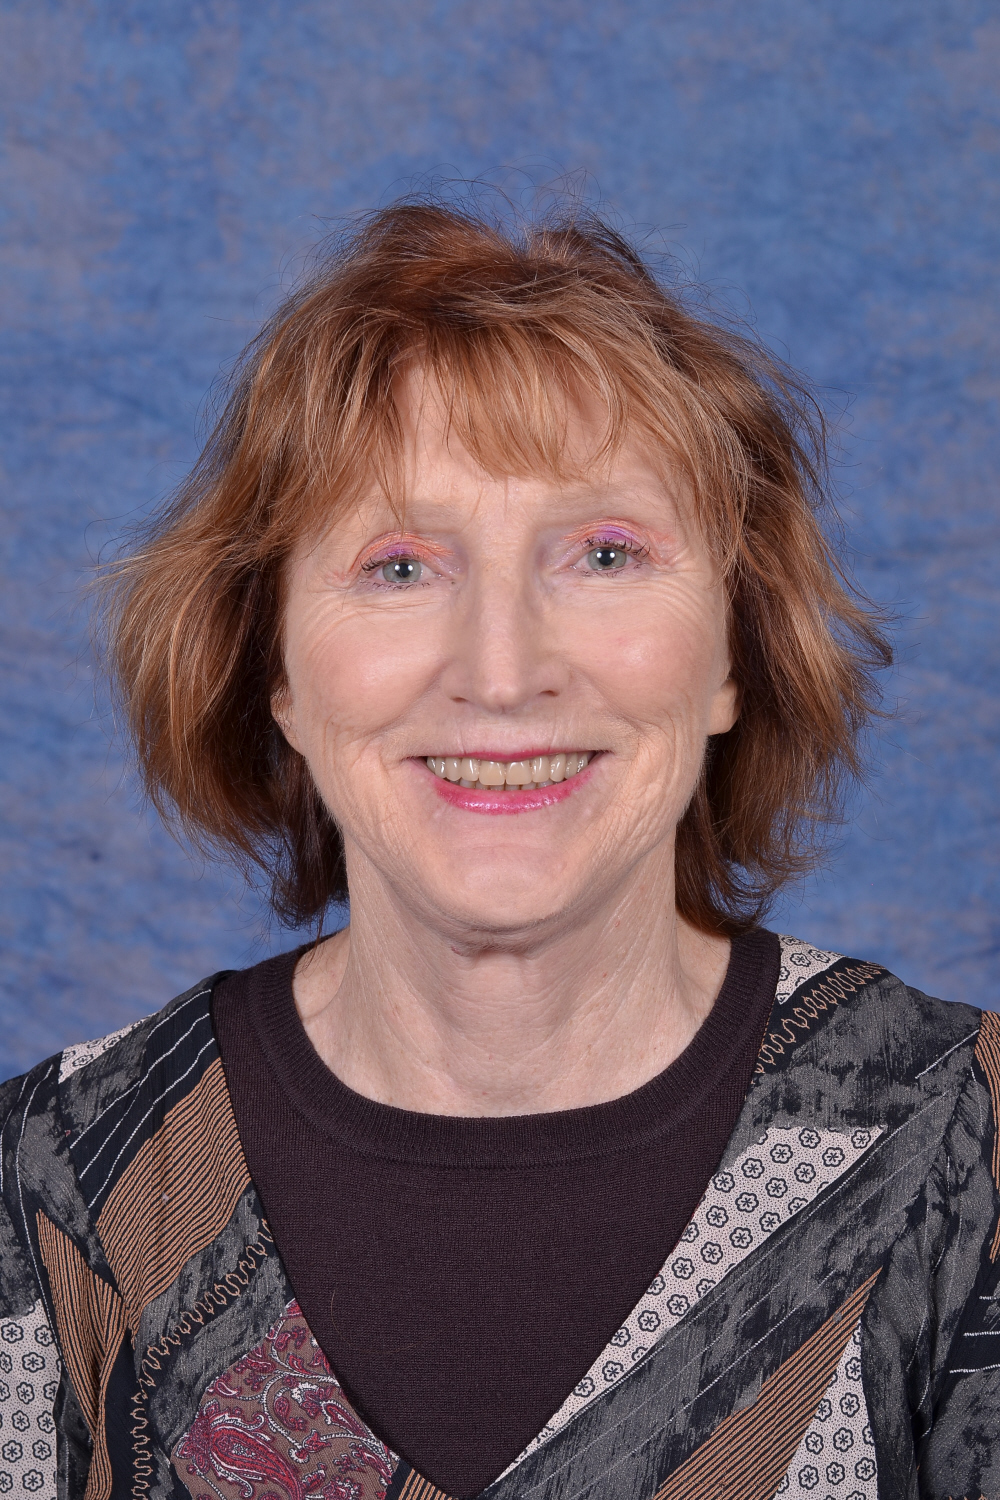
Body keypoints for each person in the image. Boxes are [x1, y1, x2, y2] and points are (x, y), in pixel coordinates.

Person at [1, 200, 997, 1500]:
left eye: (603, 553)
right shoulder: (63, 1185)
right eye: (402, 567)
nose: (503, 667)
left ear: (733, 653)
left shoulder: (963, 1145)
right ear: (276, 669)